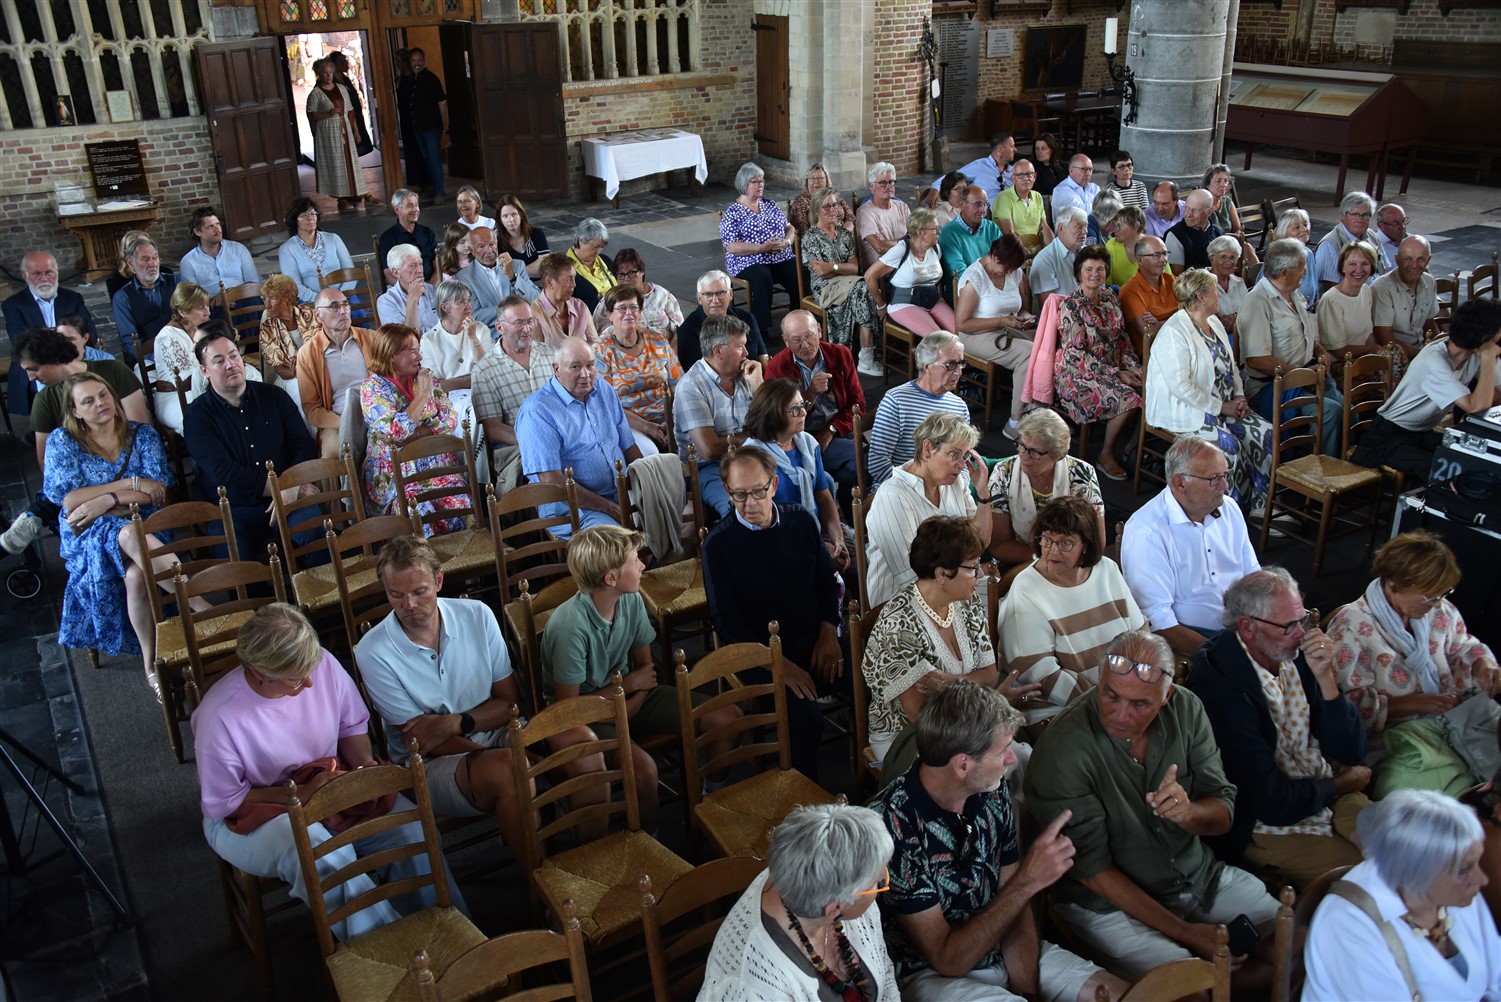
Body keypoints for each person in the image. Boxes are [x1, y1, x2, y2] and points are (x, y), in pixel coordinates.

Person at [1024, 630, 1281, 988]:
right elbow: (1092, 870)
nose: (1120, 715)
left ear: (1167, 695)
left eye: (1140, 704)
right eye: (1110, 695)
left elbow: (1222, 809)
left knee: (1293, 940)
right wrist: (1186, 934)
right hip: (1107, 905)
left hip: (1195, 876)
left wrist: (1190, 814)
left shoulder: (1186, 708)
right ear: (1100, 680)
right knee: (1191, 990)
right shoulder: (1063, 751)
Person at [192, 604, 461, 943]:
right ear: (259, 673)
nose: (309, 682)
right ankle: (391, 952)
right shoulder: (219, 715)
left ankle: (453, 939)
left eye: (311, 669)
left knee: (411, 829)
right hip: (253, 813)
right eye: (296, 679)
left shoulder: (321, 664)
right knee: (321, 853)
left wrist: (363, 769)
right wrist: (303, 795)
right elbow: (225, 802)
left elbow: (351, 726)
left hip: (325, 784)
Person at [873, 681, 1126, 1002]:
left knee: (1122, 995)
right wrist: (1027, 882)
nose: (1011, 759)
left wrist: (1028, 990)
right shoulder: (891, 824)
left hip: (997, 940)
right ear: (963, 765)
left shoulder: (991, 791)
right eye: (1002, 750)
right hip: (928, 974)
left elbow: (1012, 903)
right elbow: (947, 959)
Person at [543, 525, 736, 830]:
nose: (643, 566)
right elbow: (568, 711)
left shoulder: (631, 599)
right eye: (635, 561)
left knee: (728, 717)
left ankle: (711, 802)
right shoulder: (569, 628)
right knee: (644, 771)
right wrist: (630, 692)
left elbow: (647, 671)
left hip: (629, 697)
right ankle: (648, 841)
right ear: (611, 578)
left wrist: (635, 697)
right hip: (585, 718)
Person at [1188, 568, 1371, 888]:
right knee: (1370, 881)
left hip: (1325, 792)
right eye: (1289, 625)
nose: (1301, 634)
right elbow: (1268, 801)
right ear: (1247, 627)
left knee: (1405, 853)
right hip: (1266, 825)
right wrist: (1341, 784)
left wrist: (1326, 679)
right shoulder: (1220, 688)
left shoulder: (1294, 655)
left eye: (1303, 620)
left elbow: (1351, 750)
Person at [354, 537, 532, 857]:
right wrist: (503, 754)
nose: (409, 605)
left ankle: (591, 862)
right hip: (428, 762)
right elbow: (424, 740)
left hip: (496, 732)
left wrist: (455, 722)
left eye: (419, 591)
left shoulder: (477, 614)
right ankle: (540, 878)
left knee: (578, 744)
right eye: (396, 595)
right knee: (509, 769)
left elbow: (510, 703)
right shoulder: (372, 650)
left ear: (438, 581)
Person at [701, 446, 840, 779]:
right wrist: (779, 665)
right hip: (758, 654)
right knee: (806, 720)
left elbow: (827, 582)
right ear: (727, 491)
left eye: (759, 492)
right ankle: (804, 798)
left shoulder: (801, 520)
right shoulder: (718, 545)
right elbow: (726, 623)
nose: (750, 503)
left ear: (774, 485)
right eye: (740, 494)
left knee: (876, 680)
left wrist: (829, 632)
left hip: (814, 640)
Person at [1302, 789, 1501, 1001]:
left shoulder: (1456, 892)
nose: (1482, 879)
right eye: (1465, 869)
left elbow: (1496, 974)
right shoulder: (1347, 925)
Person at [41, 372, 174, 691]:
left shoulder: (142, 434)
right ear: (75, 411)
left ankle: (151, 664)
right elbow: (69, 499)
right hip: (87, 531)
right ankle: (198, 605)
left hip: (145, 522)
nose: (100, 403)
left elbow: (157, 491)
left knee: (136, 575)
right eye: (88, 401)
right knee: (126, 533)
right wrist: (127, 486)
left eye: (103, 394)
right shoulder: (63, 441)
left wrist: (106, 500)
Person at [699, 803, 899, 1001]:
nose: (883, 878)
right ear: (834, 910)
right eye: (877, 882)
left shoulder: (812, 875)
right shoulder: (753, 988)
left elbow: (884, 970)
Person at [863, 519, 1006, 774]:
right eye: (972, 568)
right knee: (988, 769)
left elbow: (990, 674)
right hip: (909, 736)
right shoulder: (899, 625)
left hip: (963, 722)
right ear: (942, 574)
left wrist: (950, 682)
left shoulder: (968, 602)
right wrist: (983, 715)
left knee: (1013, 760)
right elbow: (921, 716)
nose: (980, 574)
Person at [1328, 530, 1500, 737]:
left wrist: (1482, 663)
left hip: (1448, 715)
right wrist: (1416, 703)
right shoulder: (1351, 627)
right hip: (1394, 731)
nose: (1437, 603)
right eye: (1429, 596)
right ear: (1394, 583)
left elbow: (1461, 646)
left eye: (1443, 594)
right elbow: (1343, 707)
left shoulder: (1439, 610)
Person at [999, 497, 1144, 731]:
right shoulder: (1026, 590)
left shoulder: (1107, 569)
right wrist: (1109, 703)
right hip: (1063, 713)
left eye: (1065, 543)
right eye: (1047, 539)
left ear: (1085, 545)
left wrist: (1140, 685)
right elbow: (1040, 676)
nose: (1053, 551)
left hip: (1123, 696)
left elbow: (1140, 636)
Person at [184, 327, 319, 567]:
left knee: (319, 537)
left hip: (289, 496)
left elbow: (303, 446)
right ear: (205, 371)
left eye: (234, 356)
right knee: (232, 564)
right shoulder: (197, 416)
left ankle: (321, 590)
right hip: (234, 506)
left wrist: (291, 485)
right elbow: (223, 473)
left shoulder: (274, 396)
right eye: (219, 361)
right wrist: (283, 488)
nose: (230, 364)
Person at [1120, 437, 1260, 657]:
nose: (1225, 486)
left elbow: (1252, 574)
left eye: (1225, 475)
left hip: (1245, 624)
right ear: (1180, 483)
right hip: (1199, 637)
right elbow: (1158, 620)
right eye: (1214, 479)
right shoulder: (1147, 531)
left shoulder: (1229, 509)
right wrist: (1219, 656)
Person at [1147, 268, 1273, 511]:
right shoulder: (1174, 332)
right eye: (1215, 291)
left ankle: (1260, 504)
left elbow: (1232, 366)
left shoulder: (1213, 322)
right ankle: (1228, 510)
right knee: (1229, 448)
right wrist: (1222, 407)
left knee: (1264, 433)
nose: (1219, 296)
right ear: (1201, 297)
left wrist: (1239, 396)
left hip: (1225, 404)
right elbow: (1182, 387)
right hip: (1188, 408)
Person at [1351, 298, 1501, 481]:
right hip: (1387, 436)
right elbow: (1475, 406)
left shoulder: (1474, 353)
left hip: (1422, 432)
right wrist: (1488, 359)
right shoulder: (1435, 362)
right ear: (1484, 338)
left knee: (1470, 459)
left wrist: (1488, 358)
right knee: (1449, 473)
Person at [516, 336, 641, 535]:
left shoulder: (604, 390)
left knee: (675, 514)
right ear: (556, 369)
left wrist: (648, 487)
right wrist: (609, 508)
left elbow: (628, 447)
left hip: (620, 494)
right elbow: (552, 481)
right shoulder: (537, 411)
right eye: (575, 367)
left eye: (590, 365)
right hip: (572, 508)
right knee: (618, 541)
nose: (585, 374)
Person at [866, 413, 992, 609]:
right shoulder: (892, 496)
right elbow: (910, 578)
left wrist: (983, 493)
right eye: (954, 454)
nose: (961, 465)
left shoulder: (954, 483)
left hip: (951, 582)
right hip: (902, 602)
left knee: (1012, 601)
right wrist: (970, 575)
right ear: (928, 448)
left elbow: (979, 543)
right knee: (1001, 608)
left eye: (965, 456)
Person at [358, 323, 467, 532]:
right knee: (419, 512)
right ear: (391, 355)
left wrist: (413, 435)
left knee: (459, 502)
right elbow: (395, 432)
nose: (419, 357)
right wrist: (423, 394)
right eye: (412, 351)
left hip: (435, 464)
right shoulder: (373, 388)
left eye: (418, 350)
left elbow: (449, 420)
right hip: (397, 473)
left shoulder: (425, 377)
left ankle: (465, 552)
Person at [1241, 238, 1344, 457]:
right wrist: (1300, 375)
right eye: (1301, 268)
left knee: (1347, 410)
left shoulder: (1292, 292)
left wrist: (1319, 350)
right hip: (1273, 386)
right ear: (1284, 273)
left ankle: (1341, 462)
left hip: (1307, 376)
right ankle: (1317, 470)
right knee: (1330, 412)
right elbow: (1256, 359)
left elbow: (1303, 333)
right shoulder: (1257, 302)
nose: (1305, 273)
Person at [10, 328, 147, 483]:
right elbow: (46, 463)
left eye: (34, 369)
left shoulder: (114, 371)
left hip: (133, 467)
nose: (30, 378)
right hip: (85, 484)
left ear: (53, 358)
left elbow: (141, 430)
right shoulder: (44, 400)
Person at [1053, 245, 1142, 481]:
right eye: (1089, 269)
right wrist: (1117, 373)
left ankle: (1132, 447)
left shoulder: (1110, 298)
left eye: (1100, 269)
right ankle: (1106, 453)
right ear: (1079, 273)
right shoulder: (1071, 305)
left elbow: (1122, 338)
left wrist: (1132, 366)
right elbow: (1077, 353)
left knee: (1150, 386)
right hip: (1077, 373)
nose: (1095, 274)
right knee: (1129, 399)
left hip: (1113, 367)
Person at [739, 378, 847, 568]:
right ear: (774, 415)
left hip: (815, 530)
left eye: (802, 405)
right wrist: (819, 548)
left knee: (861, 559)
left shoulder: (808, 444)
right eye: (795, 409)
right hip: (778, 543)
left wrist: (838, 539)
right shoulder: (754, 459)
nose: (804, 412)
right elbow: (764, 524)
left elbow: (823, 497)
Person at [986, 408, 1104, 566]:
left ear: (1057, 454)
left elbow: (1096, 540)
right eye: (1021, 445)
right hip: (1019, 563)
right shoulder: (1003, 473)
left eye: (1035, 452)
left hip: (1072, 563)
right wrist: (1046, 560)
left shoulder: (1082, 473)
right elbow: (999, 545)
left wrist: (1062, 563)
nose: (1024, 455)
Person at [766, 310, 865, 496]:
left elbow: (857, 404)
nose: (805, 345)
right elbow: (780, 421)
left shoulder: (840, 354)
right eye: (796, 340)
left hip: (839, 430)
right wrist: (810, 393)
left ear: (819, 330)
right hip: (801, 439)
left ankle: (848, 513)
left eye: (809, 336)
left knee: (850, 472)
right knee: (861, 458)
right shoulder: (777, 367)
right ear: (786, 341)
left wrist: (831, 430)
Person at [673, 313, 762, 516]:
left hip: (750, 458)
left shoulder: (746, 375)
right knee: (738, 509)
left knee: (802, 482)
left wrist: (759, 387)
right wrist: (754, 435)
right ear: (717, 351)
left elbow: (772, 426)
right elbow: (709, 449)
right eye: (740, 346)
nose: (747, 353)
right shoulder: (691, 386)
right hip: (709, 468)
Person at [954, 235, 1036, 441]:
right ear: (993, 256)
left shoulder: (1014, 272)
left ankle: (1037, 411)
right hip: (975, 335)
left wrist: (1026, 317)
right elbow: (962, 324)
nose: (1008, 272)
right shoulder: (975, 278)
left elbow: (1022, 308)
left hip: (1007, 329)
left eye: (1012, 269)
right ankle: (1015, 421)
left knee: (1046, 345)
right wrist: (1002, 321)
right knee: (1027, 353)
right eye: (1005, 268)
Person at [866, 332, 970, 488]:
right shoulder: (896, 400)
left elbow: (964, 461)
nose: (958, 372)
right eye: (950, 365)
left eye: (961, 363)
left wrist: (959, 489)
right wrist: (921, 489)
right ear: (927, 366)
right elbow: (878, 464)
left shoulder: (959, 406)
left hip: (943, 490)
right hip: (898, 489)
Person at [3, 251, 99, 418]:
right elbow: (21, 343)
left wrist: (44, 337)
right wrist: (65, 338)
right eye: (37, 274)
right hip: (37, 366)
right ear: (25, 276)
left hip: (73, 360)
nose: (44, 278)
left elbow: (90, 334)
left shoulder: (72, 298)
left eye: (49, 272)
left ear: (57, 272)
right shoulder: (13, 305)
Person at [594, 283, 681, 457]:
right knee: (650, 455)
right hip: (629, 423)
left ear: (640, 311)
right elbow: (607, 404)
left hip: (669, 416)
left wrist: (672, 420)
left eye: (634, 307)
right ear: (610, 314)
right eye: (622, 308)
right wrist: (648, 427)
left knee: (695, 442)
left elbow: (678, 384)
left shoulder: (657, 340)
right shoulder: (600, 350)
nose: (629, 313)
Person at [470, 294, 554, 473]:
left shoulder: (552, 355)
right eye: (519, 323)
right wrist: (536, 442)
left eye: (530, 321)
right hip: (517, 450)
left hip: (560, 439)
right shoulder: (484, 370)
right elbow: (492, 429)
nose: (527, 328)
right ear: (500, 328)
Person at [801, 186, 881, 371]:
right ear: (816, 210)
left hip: (851, 283)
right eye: (826, 206)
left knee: (862, 288)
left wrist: (832, 267)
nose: (832, 210)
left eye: (835, 205)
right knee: (864, 287)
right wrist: (841, 269)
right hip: (825, 287)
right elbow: (821, 273)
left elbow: (855, 267)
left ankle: (863, 355)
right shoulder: (810, 238)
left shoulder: (844, 234)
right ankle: (866, 354)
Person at [297, 289, 376, 461]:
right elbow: (312, 409)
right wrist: (345, 422)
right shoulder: (307, 354)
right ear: (318, 316)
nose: (343, 311)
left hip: (377, 410)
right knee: (332, 450)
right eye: (334, 307)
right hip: (338, 420)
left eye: (345, 304)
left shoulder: (371, 338)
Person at [720, 163, 798, 337]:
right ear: (744, 184)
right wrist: (761, 248)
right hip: (748, 260)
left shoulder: (770, 205)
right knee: (763, 278)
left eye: (761, 181)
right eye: (755, 181)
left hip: (778, 257)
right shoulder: (733, 213)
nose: (760, 185)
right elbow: (731, 246)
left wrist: (786, 242)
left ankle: (797, 320)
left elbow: (790, 228)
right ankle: (760, 330)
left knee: (799, 273)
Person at [1318, 240, 1404, 380]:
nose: (1359, 270)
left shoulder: (1366, 291)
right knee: (1391, 370)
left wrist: (1374, 355)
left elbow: (1368, 334)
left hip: (1364, 357)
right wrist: (1372, 350)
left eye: (1365, 264)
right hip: (1342, 365)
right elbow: (1339, 351)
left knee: (1397, 354)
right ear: (1343, 267)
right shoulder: (1331, 300)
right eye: (1352, 264)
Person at [865, 208, 953, 337]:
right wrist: (880, 305)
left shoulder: (935, 248)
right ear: (920, 232)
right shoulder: (901, 249)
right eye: (935, 229)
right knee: (938, 338)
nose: (939, 232)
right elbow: (869, 276)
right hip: (904, 304)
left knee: (960, 332)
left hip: (933, 301)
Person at [149, 281, 215, 434]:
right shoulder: (167, 338)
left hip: (205, 388)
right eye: (201, 308)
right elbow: (186, 381)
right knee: (204, 421)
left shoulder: (201, 328)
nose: (208, 312)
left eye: (207, 306)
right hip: (174, 397)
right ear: (182, 311)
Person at [305, 58, 370, 212]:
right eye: (325, 73)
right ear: (319, 74)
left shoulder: (341, 88)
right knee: (336, 163)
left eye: (330, 72)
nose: (328, 76)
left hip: (344, 128)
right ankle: (341, 197)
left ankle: (355, 193)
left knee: (350, 161)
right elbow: (312, 114)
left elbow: (350, 110)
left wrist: (356, 130)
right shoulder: (316, 93)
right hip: (328, 132)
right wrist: (328, 114)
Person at [676, 269, 766, 369]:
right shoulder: (688, 331)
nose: (715, 300)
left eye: (720, 293)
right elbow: (695, 371)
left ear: (731, 294)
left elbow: (762, 356)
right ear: (699, 299)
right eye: (708, 294)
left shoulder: (746, 318)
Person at [1373, 235, 1441, 365]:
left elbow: (1430, 324)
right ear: (1397, 260)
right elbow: (1385, 340)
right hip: (1396, 357)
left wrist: (1439, 347)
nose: (1414, 265)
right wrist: (1423, 356)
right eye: (1408, 259)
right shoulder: (1383, 288)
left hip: (1422, 351)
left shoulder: (1429, 281)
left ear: (1428, 261)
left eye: (1421, 259)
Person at [110, 233, 178, 364]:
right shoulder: (122, 298)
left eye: (155, 258)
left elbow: (200, 317)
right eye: (145, 259)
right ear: (130, 263)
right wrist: (161, 352)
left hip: (189, 348)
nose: (152, 264)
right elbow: (132, 345)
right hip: (152, 359)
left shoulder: (177, 282)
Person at [455, 226, 539, 327]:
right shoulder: (465, 277)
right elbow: (475, 315)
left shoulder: (516, 265)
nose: (489, 251)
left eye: (492, 245)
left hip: (524, 328)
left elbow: (535, 298)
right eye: (481, 247)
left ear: (497, 243)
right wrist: (511, 311)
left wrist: (512, 277)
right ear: (472, 250)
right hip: (493, 333)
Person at [277, 198, 356, 305]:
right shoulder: (287, 249)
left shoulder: (333, 239)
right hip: (311, 302)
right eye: (304, 215)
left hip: (343, 297)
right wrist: (322, 300)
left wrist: (339, 296)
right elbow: (294, 286)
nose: (310, 218)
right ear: (294, 220)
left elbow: (351, 274)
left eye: (313, 213)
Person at [593, 247, 682, 339]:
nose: (626, 279)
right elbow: (599, 333)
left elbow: (680, 328)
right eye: (621, 274)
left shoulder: (661, 295)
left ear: (642, 271)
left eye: (632, 272)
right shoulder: (609, 300)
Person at [178, 207, 261, 306]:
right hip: (213, 307)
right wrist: (212, 302)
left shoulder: (238, 249)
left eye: (217, 224)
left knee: (255, 301)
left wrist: (229, 294)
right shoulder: (188, 261)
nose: (217, 229)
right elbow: (192, 296)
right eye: (210, 226)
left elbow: (254, 283)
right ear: (197, 232)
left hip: (243, 300)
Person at [259, 273, 318, 402]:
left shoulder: (309, 316)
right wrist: (302, 370)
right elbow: (281, 371)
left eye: (272, 298)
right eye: (264, 299)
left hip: (316, 370)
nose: (267, 305)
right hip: (289, 378)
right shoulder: (268, 327)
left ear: (287, 298)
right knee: (300, 388)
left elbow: (323, 351)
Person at [396, 48, 446, 199]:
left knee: (434, 159)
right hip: (417, 127)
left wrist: (444, 123)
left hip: (431, 126)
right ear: (409, 62)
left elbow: (442, 102)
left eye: (419, 60)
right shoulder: (412, 79)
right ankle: (433, 187)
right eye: (413, 61)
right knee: (427, 159)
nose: (416, 63)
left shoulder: (431, 78)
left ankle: (439, 192)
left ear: (424, 61)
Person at [1118, 234, 1177, 354]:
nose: (1163, 259)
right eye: (1156, 255)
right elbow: (1150, 333)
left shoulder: (1172, 281)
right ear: (1140, 260)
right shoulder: (1129, 291)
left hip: (1180, 344)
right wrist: (1180, 315)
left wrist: (1159, 323)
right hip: (1154, 353)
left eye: (1165, 253)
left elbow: (1194, 313)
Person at [1313, 191, 1378, 295]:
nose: (1360, 219)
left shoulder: (1372, 236)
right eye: (1355, 214)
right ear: (1342, 215)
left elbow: (1384, 270)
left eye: (1365, 215)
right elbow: (1331, 289)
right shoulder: (1330, 244)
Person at [990, 158, 1054, 257]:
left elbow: (1044, 227)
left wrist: (1054, 249)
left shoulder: (1037, 196)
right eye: (1020, 175)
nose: (1026, 178)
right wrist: (1025, 255)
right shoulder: (1003, 198)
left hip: (1036, 250)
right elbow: (1009, 234)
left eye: (1029, 174)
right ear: (1013, 179)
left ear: (1034, 177)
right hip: (1013, 251)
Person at [530, 252, 596, 347]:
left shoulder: (580, 306)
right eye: (568, 279)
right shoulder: (534, 314)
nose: (574, 284)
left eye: (574, 278)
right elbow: (537, 354)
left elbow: (596, 346)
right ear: (549, 282)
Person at [939, 182, 1002, 279]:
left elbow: (1004, 258)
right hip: (966, 287)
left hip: (995, 282)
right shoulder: (948, 234)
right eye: (978, 204)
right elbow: (960, 274)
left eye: (985, 204)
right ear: (962, 205)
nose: (983, 210)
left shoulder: (991, 227)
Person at [856, 161, 911, 271]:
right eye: (882, 183)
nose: (889, 186)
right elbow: (880, 247)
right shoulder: (865, 212)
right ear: (872, 186)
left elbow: (917, 237)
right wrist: (906, 240)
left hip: (905, 262)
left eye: (891, 182)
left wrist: (888, 242)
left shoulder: (902, 207)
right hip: (882, 270)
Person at [378, 189, 439, 286]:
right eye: (410, 206)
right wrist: (411, 290)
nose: (415, 209)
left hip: (430, 284)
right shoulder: (388, 238)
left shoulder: (428, 233)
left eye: (416, 205)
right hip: (402, 288)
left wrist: (430, 288)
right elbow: (389, 274)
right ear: (397, 209)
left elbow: (438, 268)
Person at [938, 133, 1017, 203]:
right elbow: (952, 178)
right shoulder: (979, 166)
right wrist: (935, 189)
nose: (1015, 150)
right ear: (1000, 150)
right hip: (985, 212)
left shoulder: (1015, 171)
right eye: (1012, 146)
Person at [376, 244, 438, 332]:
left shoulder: (434, 291)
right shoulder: (386, 302)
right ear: (396, 272)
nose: (420, 270)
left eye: (420, 264)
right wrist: (412, 300)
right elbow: (404, 338)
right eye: (413, 265)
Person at [1030, 205, 1086, 299]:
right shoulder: (1045, 259)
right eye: (1079, 227)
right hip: (1062, 308)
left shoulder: (1089, 254)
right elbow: (1048, 304)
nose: (1085, 231)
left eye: (1086, 226)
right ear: (1061, 228)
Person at [1165, 189, 1224, 271]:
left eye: (1195, 210)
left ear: (1209, 212)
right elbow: (1177, 275)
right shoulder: (1175, 235)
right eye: (1186, 208)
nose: (1188, 215)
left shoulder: (1218, 232)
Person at [566, 217, 616, 315]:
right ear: (581, 241)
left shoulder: (605, 260)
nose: (598, 252)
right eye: (596, 246)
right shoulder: (565, 268)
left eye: (601, 247)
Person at [788, 162, 853, 235]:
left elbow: (850, 217)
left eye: (820, 178)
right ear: (807, 182)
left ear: (826, 180)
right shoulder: (801, 201)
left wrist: (844, 233)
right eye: (812, 178)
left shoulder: (834, 195)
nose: (816, 182)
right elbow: (803, 232)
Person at [495, 194, 550, 280]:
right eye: (505, 216)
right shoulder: (498, 241)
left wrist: (515, 271)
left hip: (540, 283)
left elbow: (546, 266)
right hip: (514, 285)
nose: (511, 219)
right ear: (500, 220)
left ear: (521, 215)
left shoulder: (536, 234)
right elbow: (501, 273)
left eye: (514, 214)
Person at [1273, 208, 1321, 305]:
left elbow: (1315, 291)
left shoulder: (1308, 254)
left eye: (1305, 225)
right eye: (1296, 227)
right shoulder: (1278, 257)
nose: (1304, 229)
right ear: (1284, 233)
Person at [1206, 234, 1248, 339]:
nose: (1229, 262)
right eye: (1223, 257)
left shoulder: (1239, 283)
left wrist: (1234, 320)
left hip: (1242, 334)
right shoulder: (1202, 283)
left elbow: (1248, 312)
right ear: (1211, 259)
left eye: (1233, 257)